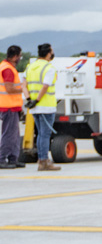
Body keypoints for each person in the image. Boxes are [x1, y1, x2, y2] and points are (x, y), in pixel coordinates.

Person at [24, 43, 60, 171]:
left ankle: (42, 159)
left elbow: (24, 84)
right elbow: (45, 86)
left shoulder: (30, 66)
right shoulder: (48, 68)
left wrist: (29, 99)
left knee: (40, 134)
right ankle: (44, 161)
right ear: (48, 53)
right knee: (45, 135)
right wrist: (38, 100)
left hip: (34, 107)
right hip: (46, 106)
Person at [1, 45, 25, 169]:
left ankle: (13, 159)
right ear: (15, 56)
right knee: (9, 134)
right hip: (8, 106)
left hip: (11, 106)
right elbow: (9, 88)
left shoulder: (6, 67)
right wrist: (24, 89)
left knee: (15, 134)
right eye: (20, 56)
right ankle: (2, 158)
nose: (20, 58)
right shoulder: (8, 69)